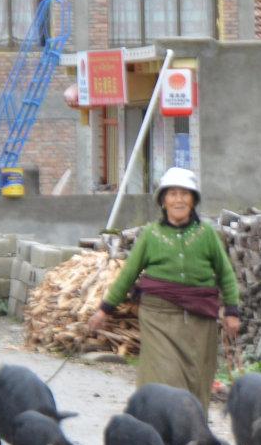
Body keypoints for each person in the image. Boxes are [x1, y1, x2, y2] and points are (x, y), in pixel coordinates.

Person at [86, 167, 240, 413]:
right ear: (163, 201)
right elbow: (128, 275)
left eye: (185, 194)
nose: (179, 199)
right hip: (159, 318)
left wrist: (232, 311)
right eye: (173, 194)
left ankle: (191, 432)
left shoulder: (207, 234)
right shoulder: (151, 235)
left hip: (200, 320)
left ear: (193, 201)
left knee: (197, 380)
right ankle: (160, 429)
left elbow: (225, 274)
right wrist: (105, 310)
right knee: (164, 378)